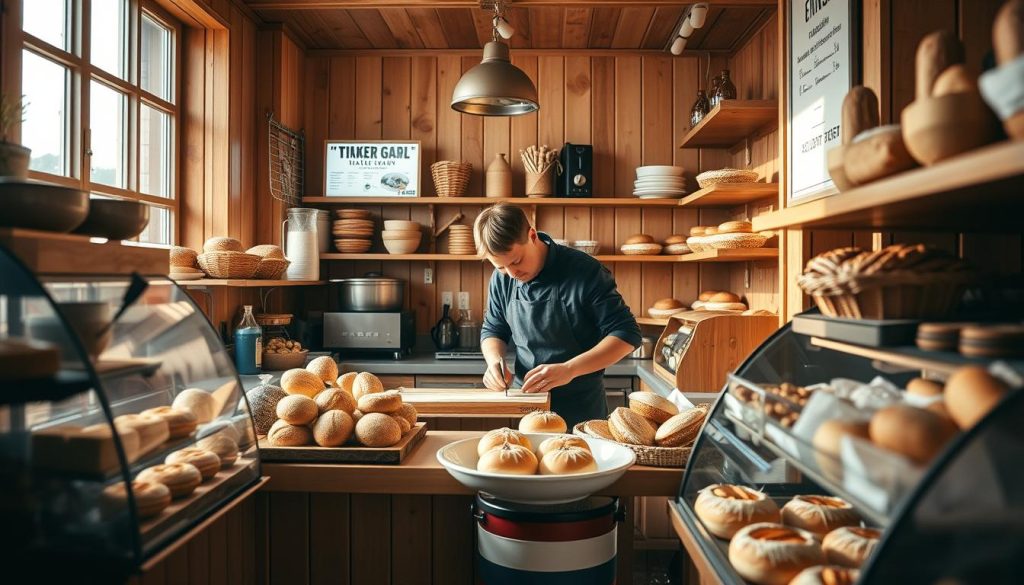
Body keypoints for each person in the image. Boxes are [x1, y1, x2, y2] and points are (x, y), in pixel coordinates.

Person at [475, 204, 642, 428]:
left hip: (581, 408)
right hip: (527, 404)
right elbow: (494, 329)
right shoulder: (502, 278)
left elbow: (627, 335)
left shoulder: (586, 272)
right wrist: (494, 362)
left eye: (516, 261)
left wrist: (569, 369)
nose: (512, 274)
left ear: (531, 235)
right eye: (502, 267)